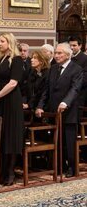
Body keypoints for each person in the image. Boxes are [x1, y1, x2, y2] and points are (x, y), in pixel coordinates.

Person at [36, 43, 83, 178]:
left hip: (69, 111)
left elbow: (75, 89)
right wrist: (40, 106)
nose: (56, 56)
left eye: (59, 53)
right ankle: (60, 166)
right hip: (53, 111)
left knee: (69, 142)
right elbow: (46, 90)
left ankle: (72, 168)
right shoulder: (53, 68)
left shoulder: (76, 69)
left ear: (67, 55)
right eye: (55, 53)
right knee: (57, 140)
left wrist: (65, 102)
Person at [0, 33, 24, 186]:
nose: (0, 44)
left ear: (10, 43)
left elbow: (13, 83)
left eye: (2, 41)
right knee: (3, 136)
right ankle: (2, 171)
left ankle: (10, 171)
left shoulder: (16, 60)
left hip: (11, 101)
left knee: (11, 136)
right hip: (0, 100)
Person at [68, 35, 87, 107]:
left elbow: (84, 79)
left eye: (74, 45)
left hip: (79, 95)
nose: (72, 47)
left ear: (80, 46)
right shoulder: (67, 57)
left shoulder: (85, 59)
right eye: (70, 45)